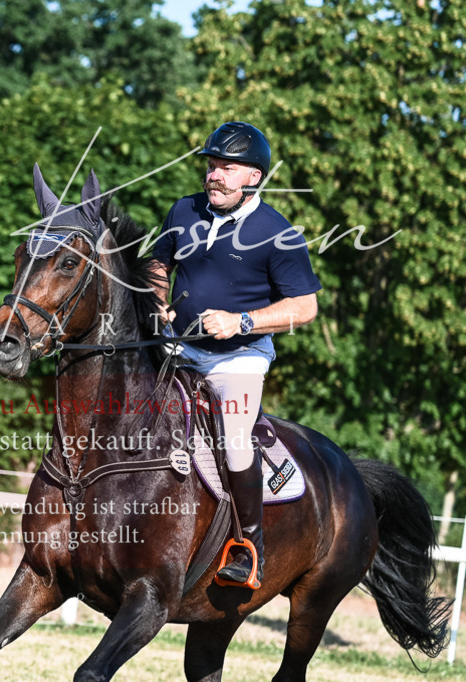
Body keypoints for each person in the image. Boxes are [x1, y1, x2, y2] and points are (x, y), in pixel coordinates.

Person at [148, 121, 321, 587]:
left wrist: (240, 322)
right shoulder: (183, 211)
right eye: (211, 165)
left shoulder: (277, 232)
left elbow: (305, 307)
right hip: (176, 349)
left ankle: (248, 546)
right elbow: (158, 264)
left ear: (254, 178)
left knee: (234, 438)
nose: (215, 175)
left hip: (238, 358)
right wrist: (159, 302)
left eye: (227, 167)